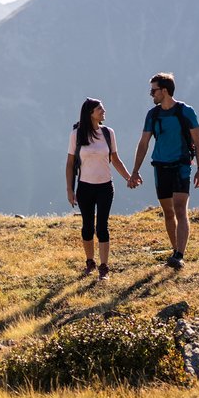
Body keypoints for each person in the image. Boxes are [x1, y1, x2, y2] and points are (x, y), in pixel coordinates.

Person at [128, 73, 199, 269]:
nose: (151, 94)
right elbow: (143, 143)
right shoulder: (152, 115)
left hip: (181, 165)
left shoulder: (185, 111)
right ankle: (175, 251)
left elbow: (198, 141)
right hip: (160, 166)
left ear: (164, 91)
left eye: (153, 90)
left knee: (180, 209)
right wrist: (135, 171)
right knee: (168, 212)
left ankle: (179, 255)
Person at [66, 97, 132, 281]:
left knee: (102, 226)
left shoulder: (108, 133)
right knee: (87, 226)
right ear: (90, 113)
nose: (103, 111)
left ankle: (104, 267)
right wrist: (69, 189)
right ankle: (90, 262)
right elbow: (70, 163)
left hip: (105, 187)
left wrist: (129, 177)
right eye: (100, 109)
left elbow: (115, 159)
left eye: (103, 108)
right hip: (85, 187)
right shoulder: (77, 134)